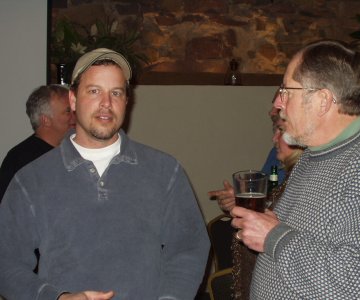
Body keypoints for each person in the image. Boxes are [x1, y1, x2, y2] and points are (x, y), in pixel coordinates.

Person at [0, 48, 210, 300]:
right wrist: (56, 298)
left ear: (126, 102)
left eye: (116, 93)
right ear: (74, 100)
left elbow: (189, 249)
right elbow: (5, 261)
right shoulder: (32, 179)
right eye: (94, 91)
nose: (106, 103)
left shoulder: (164, 171)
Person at [231, 40, 360, 299]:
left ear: (322, 101)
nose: (278, 102)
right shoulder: (314, 156)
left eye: (286, 91)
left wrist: (275, 236)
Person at [208, 114, 303, 300]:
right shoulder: (275, 157)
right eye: (274, 129)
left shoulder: (308, 173)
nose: (274, 137)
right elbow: (265, 199)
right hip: (263, 266)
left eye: (280, 130)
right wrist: (237, 202)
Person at [0, 84, 75, 201]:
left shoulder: (76, 152)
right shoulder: (20, 160)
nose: (75, 117)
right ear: (46, 120)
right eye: (68, 111)